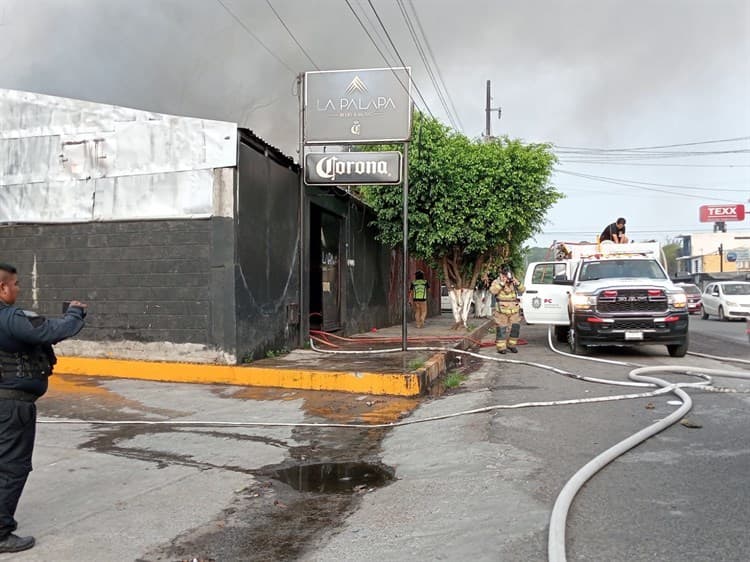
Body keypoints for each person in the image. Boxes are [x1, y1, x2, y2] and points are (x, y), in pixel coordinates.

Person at [0, 263, 87, 553]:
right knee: (12, 466)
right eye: (16, 284)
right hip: (12, 405)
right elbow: (51, 330)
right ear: (3, 287)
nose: (18, 288)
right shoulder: (9, 317)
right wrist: (74, 312)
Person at [489, 267, 524, 354]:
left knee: (515, 328)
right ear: (501, 275)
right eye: (505, 275)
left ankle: (512, 345)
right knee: (501, 329)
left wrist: (517, 283)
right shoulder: (497, 282)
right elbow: (493, 291)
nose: (507, 277)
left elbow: (523, 289)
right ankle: (501, 348)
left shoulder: (513, 282)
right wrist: (502, 283)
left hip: (514, 310)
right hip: (502, 310)